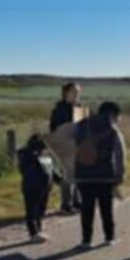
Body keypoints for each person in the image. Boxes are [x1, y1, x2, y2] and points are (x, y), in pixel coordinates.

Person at [74, 101, 126, 249]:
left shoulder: (81, 125)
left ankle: (86, 240)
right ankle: (109, 237)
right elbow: (120, 154)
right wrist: (120, 174)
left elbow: (72, 147)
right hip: (105, 175)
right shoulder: (112, 129)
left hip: (83, 174)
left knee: (86, 208)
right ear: (112, 114)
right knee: (106, 208)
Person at [49, 81, 83, 214]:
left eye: (78, 92)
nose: (77, 94)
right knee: (68, 175)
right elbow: (54, 129)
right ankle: (66, 204)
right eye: (74, 91)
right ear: (66, 93)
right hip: (65, 145)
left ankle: (77, 201)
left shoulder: (79, 108)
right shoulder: (60, 110)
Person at [17, 134, 56, 243]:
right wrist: (35, 155)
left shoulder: (46, 156)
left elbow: (51, 170)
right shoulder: (27, 156)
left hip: (45, 187)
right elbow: (24, 169)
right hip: (32, 187)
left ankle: (39, 229)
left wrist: (60, 179)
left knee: (41, 210)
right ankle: (33, 233)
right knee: (32, 211)